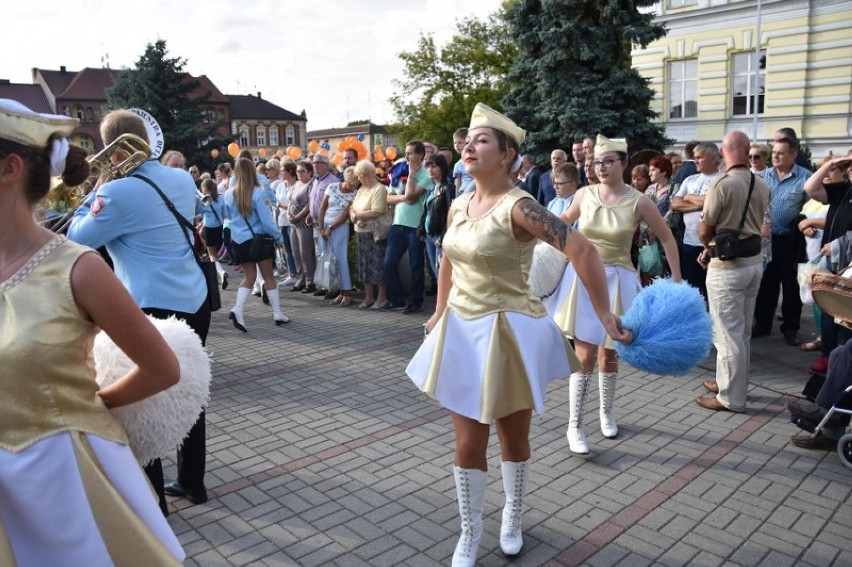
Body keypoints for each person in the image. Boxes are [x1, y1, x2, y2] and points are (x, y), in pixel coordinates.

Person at [406, 103, 630, 567]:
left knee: (512, 438)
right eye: (467, 140)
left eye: (482, 140)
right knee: (467, 443)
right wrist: (438, 311)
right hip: (463, 334)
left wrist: (605, 314)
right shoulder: (458, 204)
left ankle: (513, 514)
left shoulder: (521, 206)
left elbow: (582, 249)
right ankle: (470, 531)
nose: (469, 145)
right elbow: (448, 259)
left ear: (507, 154)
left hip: (509, 332)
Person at [0, 99, 185, 564]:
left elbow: (162, 368)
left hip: (61, 485)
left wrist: (85, 404)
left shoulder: (77, 269)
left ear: (9, 168)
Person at [67, 109, 211, 513]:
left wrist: (95, 189)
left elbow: (79, 236)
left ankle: (153, 504)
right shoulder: (180, 177)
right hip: (195, 298)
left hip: (149, 305)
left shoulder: (115, 192)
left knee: (142, 406)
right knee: (189, 391)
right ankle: (192, 481)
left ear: (111, 149)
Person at [544, 135, 682, 455]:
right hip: (583, 280)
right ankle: (574, 425)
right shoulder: (584, 194)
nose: (601, 167)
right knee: (585, 355)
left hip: (620, 281)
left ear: (623, 163)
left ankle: (606, 412)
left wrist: (677, 283)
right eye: (596, 162)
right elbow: (560, 225)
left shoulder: (639, 200)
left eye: (608, 161)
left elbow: (668, 239)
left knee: (610, 354)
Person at [695, 131, 772, 412]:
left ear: (726, 151)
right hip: (753, 264)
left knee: (727, 334)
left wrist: (706, 243)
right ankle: (730, 382)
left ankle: (730, 398)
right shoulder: (761, 183)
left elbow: (706, 227)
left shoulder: (722, 184)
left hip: (727, 268)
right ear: (746, 150)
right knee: (743, 333)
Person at [753, 136, 810, 345]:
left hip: (789, 241)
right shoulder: (761, 176)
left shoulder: (805, 178)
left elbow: (809, 211)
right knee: (766, 284)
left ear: (793, 154)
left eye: (781, 152)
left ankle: (791, 327)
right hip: (764, 240)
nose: (775, 156)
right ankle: (762, 324)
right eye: (774, 152)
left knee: (791, 285)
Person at [224, 157, 287, 330]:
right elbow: (267, 222)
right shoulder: (258, 192)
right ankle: (277, 313)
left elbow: (227, 217)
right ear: (252, 171)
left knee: (249, 277)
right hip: (259, 240)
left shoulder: (229, 194)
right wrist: (278, 238)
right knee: (268, 277)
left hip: (239, 240)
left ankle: (238, 309)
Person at [803, 157, 852, 372]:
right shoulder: (844, 190)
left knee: (848, 314)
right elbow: (810, 188)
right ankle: (828, 355)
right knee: (829, 312)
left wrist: (840, 245)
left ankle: (845, 360)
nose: (850, 169)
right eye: (849, 166)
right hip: (832, 262)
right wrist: (833, 162)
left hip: (848, 264)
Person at [670, 142, 723, 300]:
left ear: (713, 158)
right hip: (689, 243)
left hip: (710, 244)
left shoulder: (721, 180)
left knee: (710, 290)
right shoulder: (690, 179)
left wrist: (688, 198)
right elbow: (675, 203)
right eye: (695, 157)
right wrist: (703, 205)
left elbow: (716, 203)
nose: (696, 161)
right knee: (691, 288)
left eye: (700, 157)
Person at [384, 140, 429, 314]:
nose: (407, 156)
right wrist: (402, 197)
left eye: (410, 153)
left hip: (415, 226)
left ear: (420, 155)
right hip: (398, 224)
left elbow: (411, 196)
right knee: (389, 264)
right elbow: (389, 198)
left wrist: (411, 174)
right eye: (407, 152)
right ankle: (397, 298)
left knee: (415, 265)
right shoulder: (399, 172)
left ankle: (416, 301)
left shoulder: (425, 175)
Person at [352, 159, 390, 309]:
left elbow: (377, 210)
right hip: (360, 233)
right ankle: (368, 297)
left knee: (377, 266)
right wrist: (355, 217)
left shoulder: (379, 189)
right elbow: (353, 208)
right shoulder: (362, 189)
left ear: (366, 174)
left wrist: (359, 217)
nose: (358, 179)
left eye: (359, 176)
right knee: (364, 267)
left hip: (374, 234)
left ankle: (381, 298)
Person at [317, 166, 358, 306]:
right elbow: (322, 207)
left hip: (340, 227)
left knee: (341, 259)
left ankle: (347, 292)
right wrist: (321, 227)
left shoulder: (355, 193)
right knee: (330, 259)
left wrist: (330, 228)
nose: (352, 186)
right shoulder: (332, 187)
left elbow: (345, 214)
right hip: (326, 225)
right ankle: (340, 291)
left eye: (355, 183)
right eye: (351, 182)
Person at [308, 153, 340, 299]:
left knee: (331, 256)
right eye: (314, 163)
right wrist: (310, 213)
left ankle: (333, 288)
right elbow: (314, 201)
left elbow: (333, 205)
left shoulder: (333, 181)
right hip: (315, 223)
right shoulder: (315, 181)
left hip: (327, 224)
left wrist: (324, 225)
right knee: (320, 255)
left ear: (326, 165)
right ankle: (323, 284)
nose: (315, 165)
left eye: (318, 163)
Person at [423, 154, 455, 278]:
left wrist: (443, 237)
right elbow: (426, 211)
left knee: (442, 274)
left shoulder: (448, 188)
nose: (430, 170)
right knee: (436, 274)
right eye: (428, 167)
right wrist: (421, 229)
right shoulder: (431, 188)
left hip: (439, 236)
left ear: (442, 168)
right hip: (429, 234)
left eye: (434, 166)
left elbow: (451, 214)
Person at [288, 160, 317, 293]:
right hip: (293, 223)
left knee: (306, 253)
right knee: (296, 253)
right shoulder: (297, 184)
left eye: (302, 171)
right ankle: (301, 278)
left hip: (304, 223)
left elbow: (309, 205)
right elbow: (290, 200)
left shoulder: (311, 184)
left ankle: (310, 280)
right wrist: (289, 214)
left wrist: (298, 217)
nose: (299, 173)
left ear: (309, 172)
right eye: (298, 171)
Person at [198, 178, 229, 290]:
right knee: (216, 253)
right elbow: (226, 214)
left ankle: (221, 273)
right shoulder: (221, 197)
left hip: (209, 228)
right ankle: (220, 272)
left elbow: (198, 213)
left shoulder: (204, 201)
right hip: (220, 227)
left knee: (212, 255)